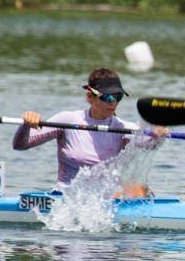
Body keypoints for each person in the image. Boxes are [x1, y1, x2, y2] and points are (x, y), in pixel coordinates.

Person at [14, 68, 168, 193]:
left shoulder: (122, 128)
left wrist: (158, 134)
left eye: (118, 97)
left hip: (104, 201)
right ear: (90, 96)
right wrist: (26, 125)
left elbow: (149, 144)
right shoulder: (68, 120)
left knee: (140, 190)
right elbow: (20, 145)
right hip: (64, 198)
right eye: (107, 98)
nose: (113, 103)